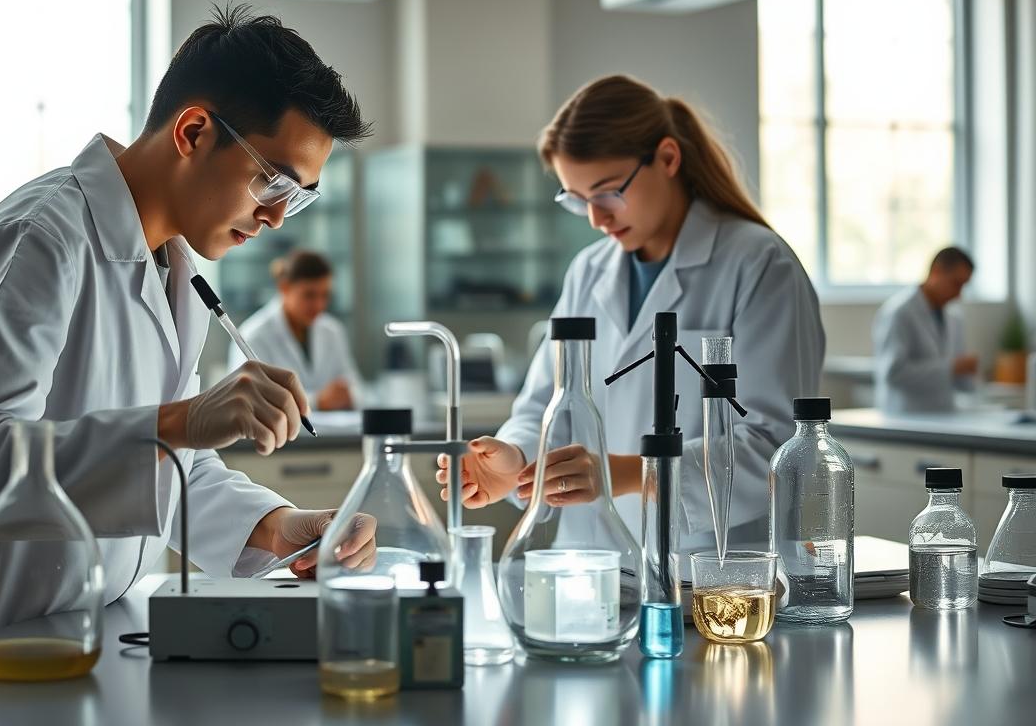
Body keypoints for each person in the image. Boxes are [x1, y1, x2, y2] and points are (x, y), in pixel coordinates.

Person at [0, 6, 377, 725]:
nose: (277, 217)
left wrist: (275, 524)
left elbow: (161, 468)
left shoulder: (174, 267)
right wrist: (181, 419)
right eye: (273, 182)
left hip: (79, 648)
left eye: (297, 198)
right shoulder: (39, 239)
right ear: (193, 131)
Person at [436, 75, 825, 552]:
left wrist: (625, 473)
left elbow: (778, 446)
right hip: (590, 566)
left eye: (606, 192)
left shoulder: (759, 264)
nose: (597, 218)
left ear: (667, 158)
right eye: (577, 200)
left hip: (710, 570)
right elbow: (545, 402)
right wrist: (515, 459)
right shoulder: (589, 271)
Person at [228, 250, 362, 411]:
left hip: (334, 434)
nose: (319, 305)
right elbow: (249, 400)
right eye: (309, 295)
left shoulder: (332, 331)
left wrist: (349, 394)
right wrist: (315, 402)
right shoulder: (253, 336)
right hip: (276, 435)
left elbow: (354, 385)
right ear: (284, 288)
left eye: (325, 295)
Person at [872, 246, 977, 413]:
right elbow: (894, 373)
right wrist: (950, 368)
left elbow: (961, 382)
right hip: (905, 417)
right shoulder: (899, 312)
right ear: (936, 271)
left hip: (943, 415)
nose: (959, 294)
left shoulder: (954, 318)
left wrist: (967, 373)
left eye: (964, 286)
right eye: (956, 283)